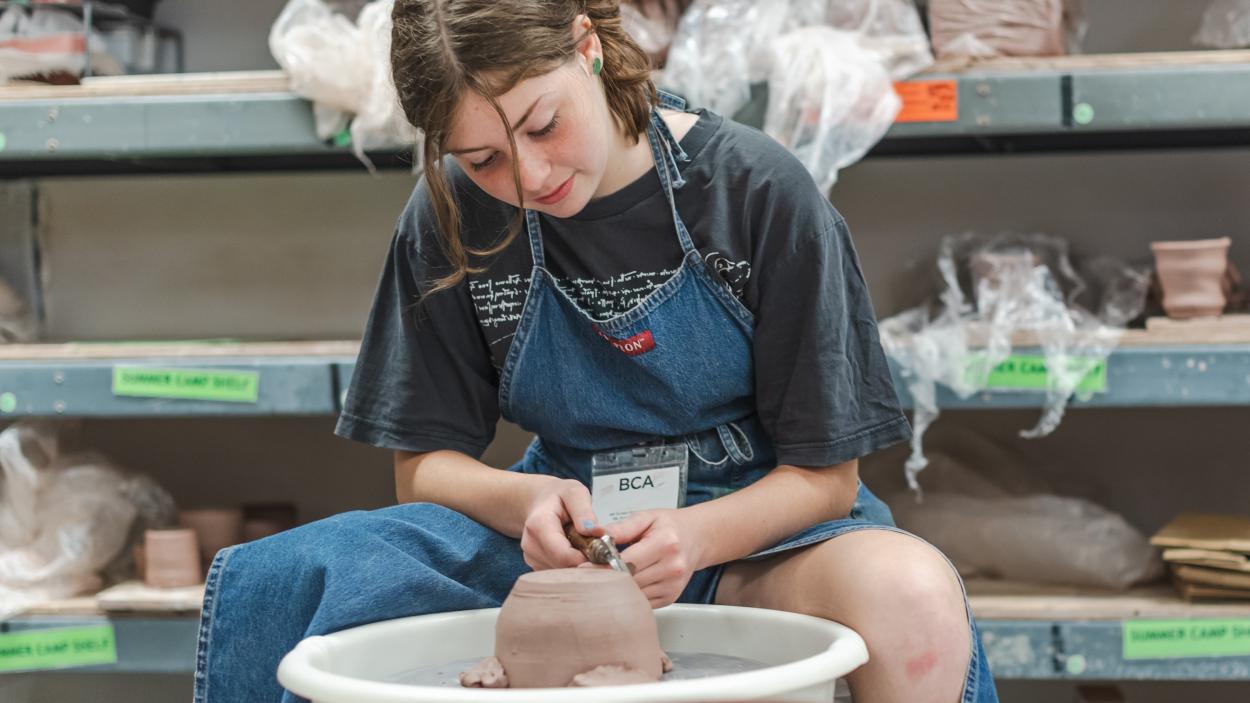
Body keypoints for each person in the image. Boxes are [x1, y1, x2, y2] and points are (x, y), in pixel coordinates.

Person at [193, 2, 999, 702]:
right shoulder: (451, 215)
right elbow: (423, 468)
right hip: (562, 541)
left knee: (913, 595)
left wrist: (694, 538)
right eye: (483, 158)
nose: (531, 174)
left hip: (759, 535)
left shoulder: (755, 190)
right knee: (299, 574)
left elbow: (827, 479)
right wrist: (526, 507)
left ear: (588, 46)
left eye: (544, 125)